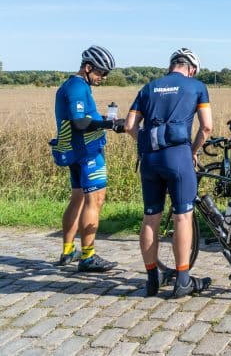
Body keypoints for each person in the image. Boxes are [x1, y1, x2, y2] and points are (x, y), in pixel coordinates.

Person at [124, 48, 213, 298]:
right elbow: (207, 127)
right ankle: (182, 280)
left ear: (172, 65)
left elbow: (130, 126)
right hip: (178, 157)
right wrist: (193, 151)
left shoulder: (148, 88)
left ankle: (152, 279)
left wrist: (147, 141)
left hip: (150, 159)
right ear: (191, 69)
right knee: (182, 216)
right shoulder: (197, 86)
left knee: (150, 217)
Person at [53, 45, 124, 272]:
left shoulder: (77, 85)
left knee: (77, 199)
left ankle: (68, 251)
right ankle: (88, 257)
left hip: (75, 152)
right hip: (87, 153)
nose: (104, 77)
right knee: (95, 200)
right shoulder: (77, 87)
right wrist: (110, 124)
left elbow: (85, 117)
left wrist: (103, 119)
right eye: (101, 72)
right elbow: (79, 123)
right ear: (87, 67)